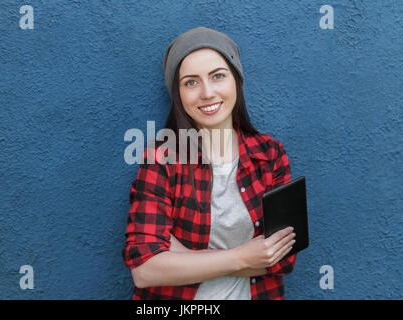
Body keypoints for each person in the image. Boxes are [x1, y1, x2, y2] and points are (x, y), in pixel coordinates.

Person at [122, 27, 296, 300]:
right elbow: (145, 269)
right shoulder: (162, 159)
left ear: (235, 81)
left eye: (218, 76)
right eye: (191, 82)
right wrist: (241, 257)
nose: (207, 92)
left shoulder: (270, 155)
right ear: (178, 93)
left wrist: (183, 257)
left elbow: (283, 259)